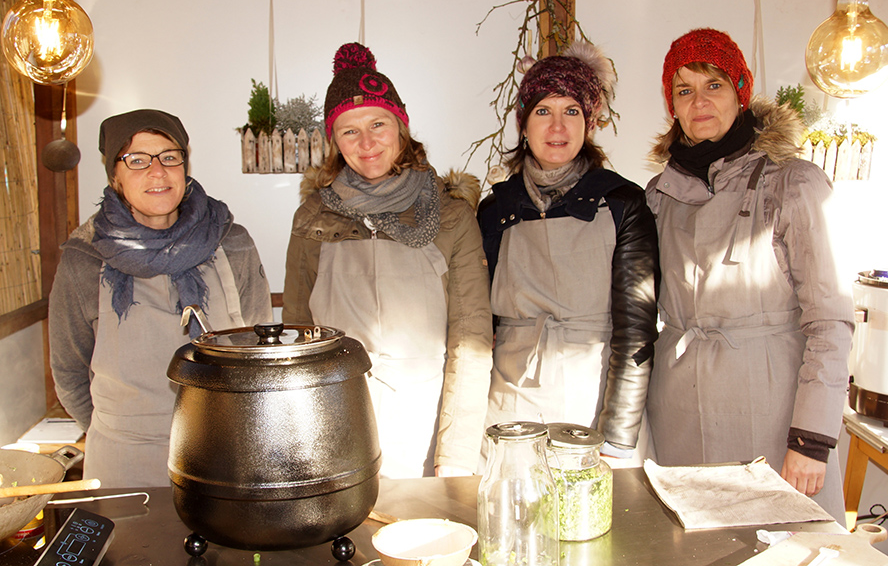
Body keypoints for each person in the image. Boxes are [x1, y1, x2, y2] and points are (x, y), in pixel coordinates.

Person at [645, 28, 853, 520]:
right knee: (687, 544)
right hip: (677, 414)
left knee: (782, 544)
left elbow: (830, 319)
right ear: (672, 106)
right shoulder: (658, 196)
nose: (700, 102)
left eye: (714, 85)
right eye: (684, 89)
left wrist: (811, 438)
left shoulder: (793, 183)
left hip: (772, 415)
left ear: (741, 91)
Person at [282, 42, 493, 479]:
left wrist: (455, 455)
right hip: (334, 429)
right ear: (335, 142)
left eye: (378, 124)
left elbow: (471, 343)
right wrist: (301, 434)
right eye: (350, 131)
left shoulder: (451, 216)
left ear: (401, 127)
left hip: (426, 432)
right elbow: (297, 336)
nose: (367, 143)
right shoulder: (312, 217)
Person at [49, 109, 273, 488]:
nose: (157, 172)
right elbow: (69, 372)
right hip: (125, 463)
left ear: (185, 166)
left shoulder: (232, 241)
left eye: (169, 157)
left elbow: (260, 351)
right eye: (137, 160)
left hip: (226, 453)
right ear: (114, 176)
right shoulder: (84, 258)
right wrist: (119, 431)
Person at [477, 42, 660, 460]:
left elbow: (636, 328)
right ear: (523, 124)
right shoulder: (494, 210)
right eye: (543, 110)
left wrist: (618, 433)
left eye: (571, 111)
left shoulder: (622, 202)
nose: (557, 126)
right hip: (510, 402)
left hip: (595, 398)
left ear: (589, 124)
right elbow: (480, 324)